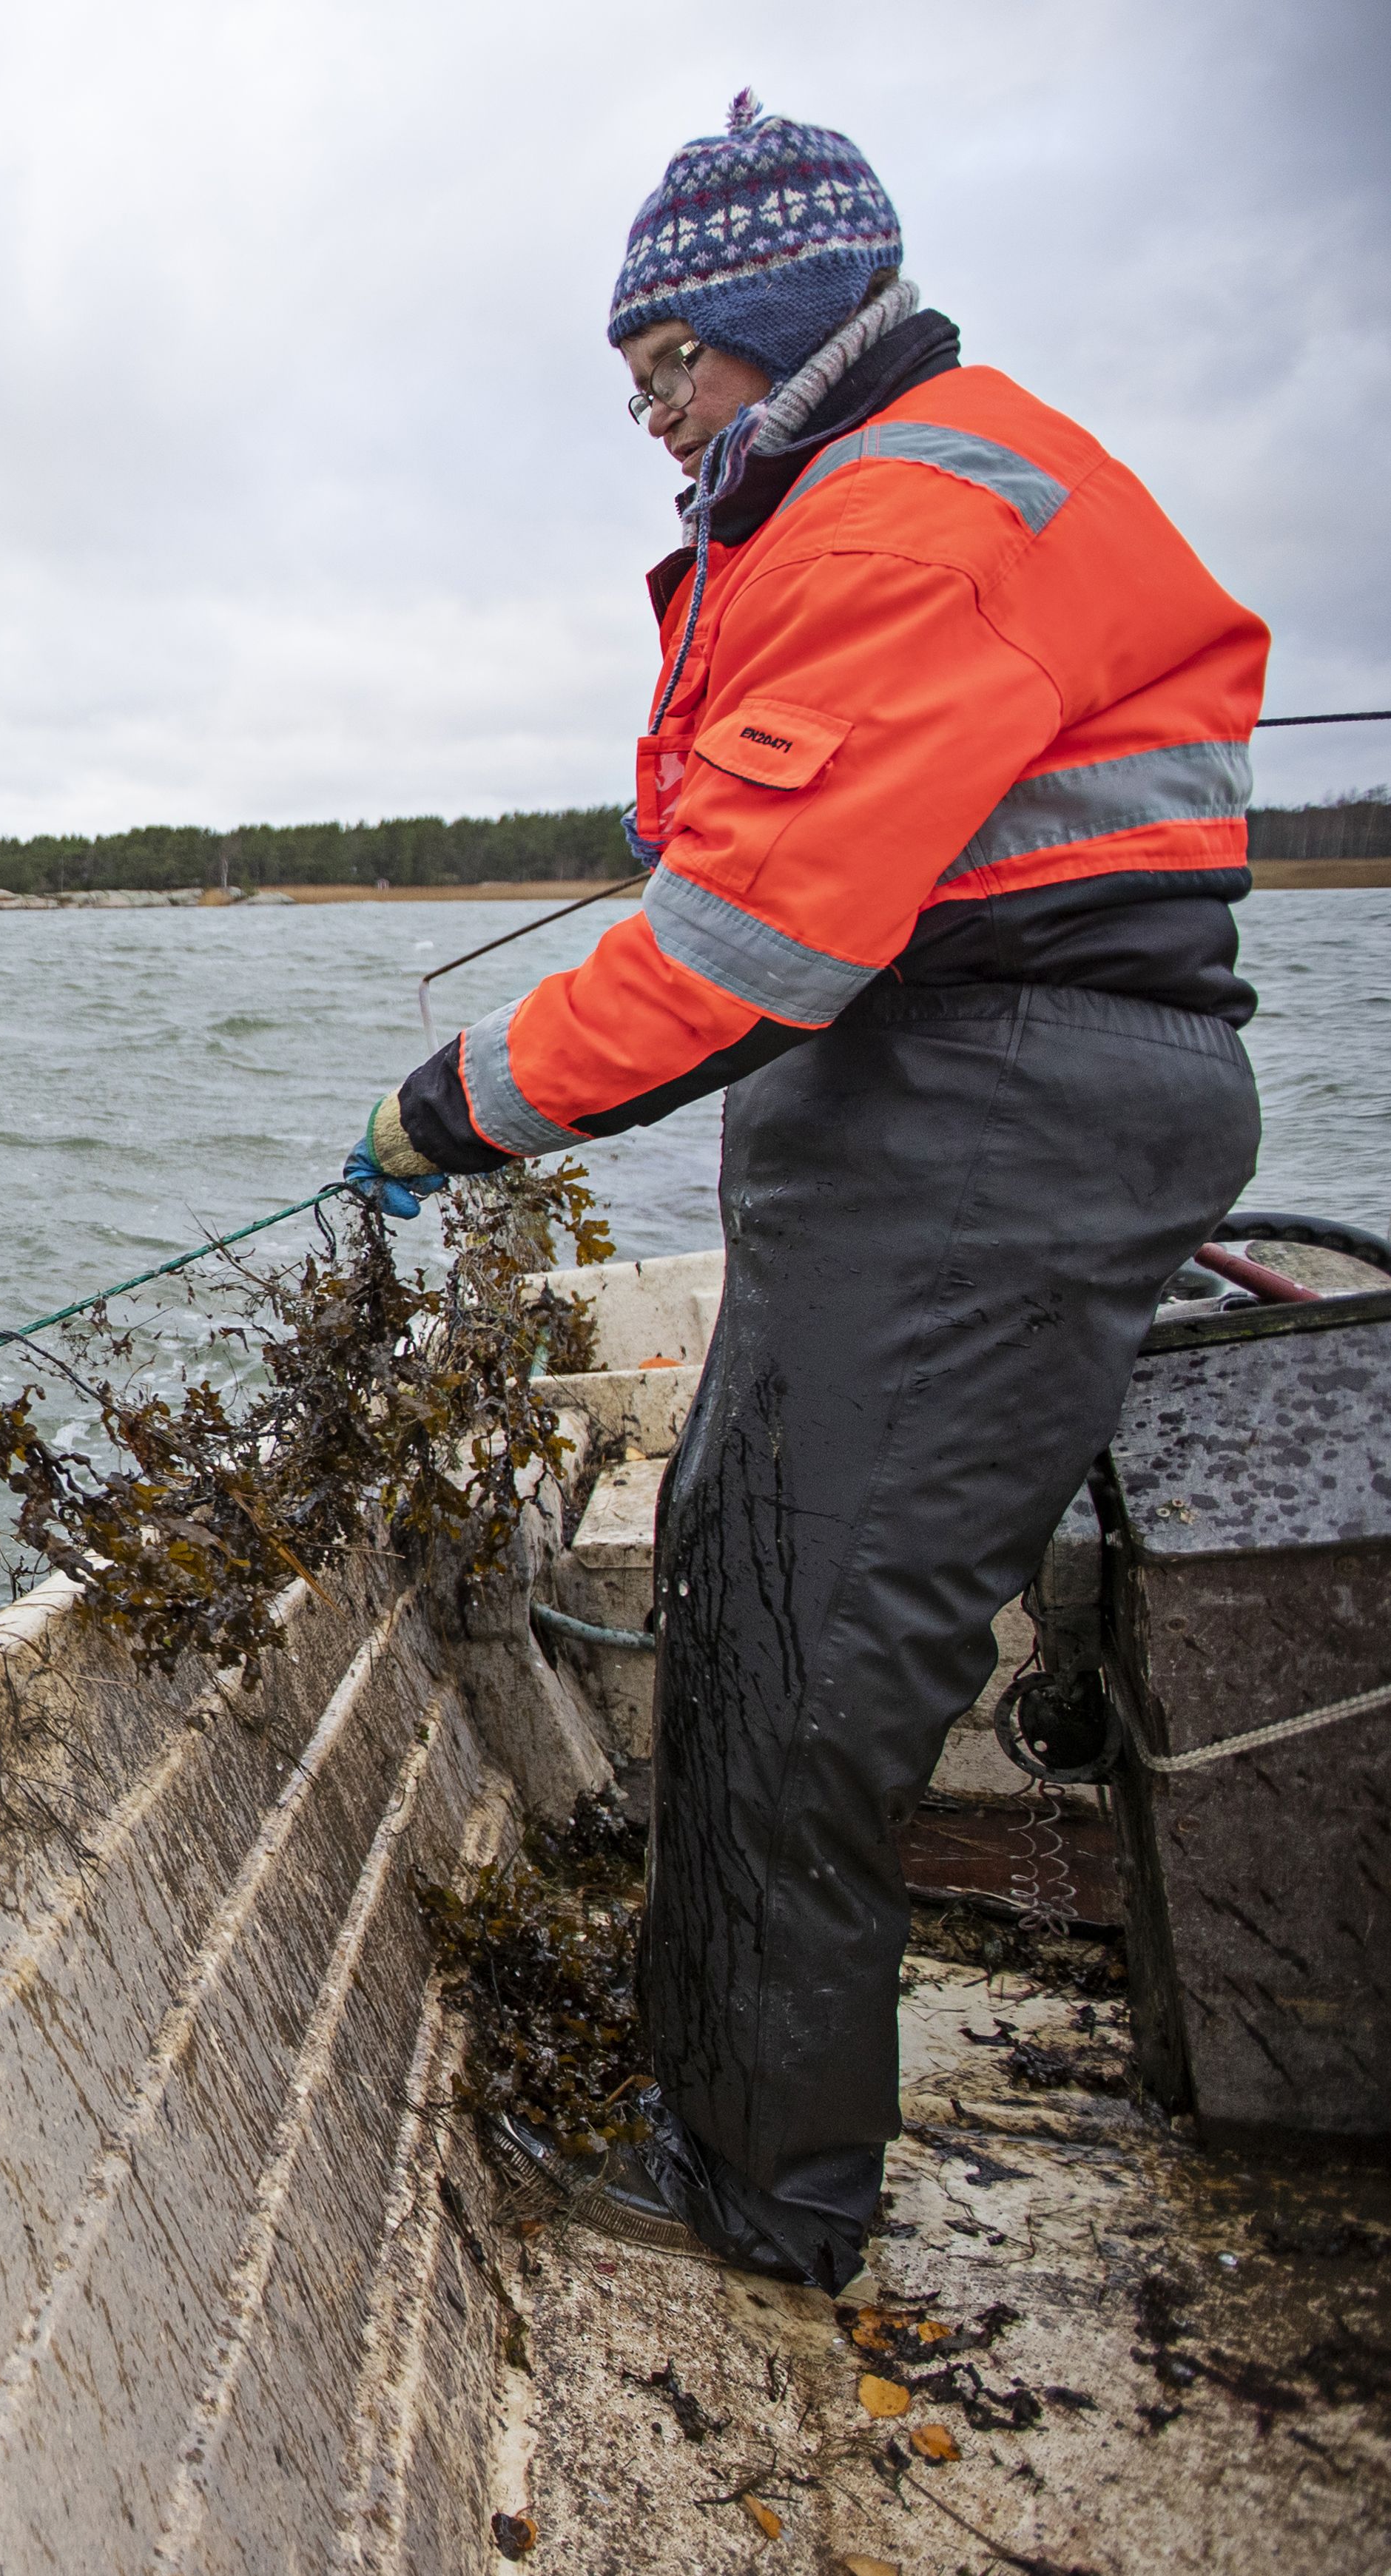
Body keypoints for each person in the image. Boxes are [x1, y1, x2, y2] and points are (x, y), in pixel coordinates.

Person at [342, 93, 1265, 2289]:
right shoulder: (894, 486)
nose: (655, 415)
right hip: (951, 1099)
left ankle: (758, 2197)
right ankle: (728, 2107)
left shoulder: (888, 520)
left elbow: (741, 954)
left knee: (795, 1648)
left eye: (667, 361)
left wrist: (450, 1107)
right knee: (741, 1571)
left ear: (779, 310)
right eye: (633, 381)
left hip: (991, 1112)